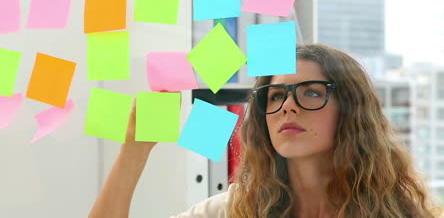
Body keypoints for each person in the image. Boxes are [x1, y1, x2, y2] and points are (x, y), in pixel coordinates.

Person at [89, 44, 441, 218]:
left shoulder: (401, 212)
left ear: (351, 109)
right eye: (276, 95)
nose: (287, 106)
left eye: (312, 92)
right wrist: (135, 149)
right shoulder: (235, 209)